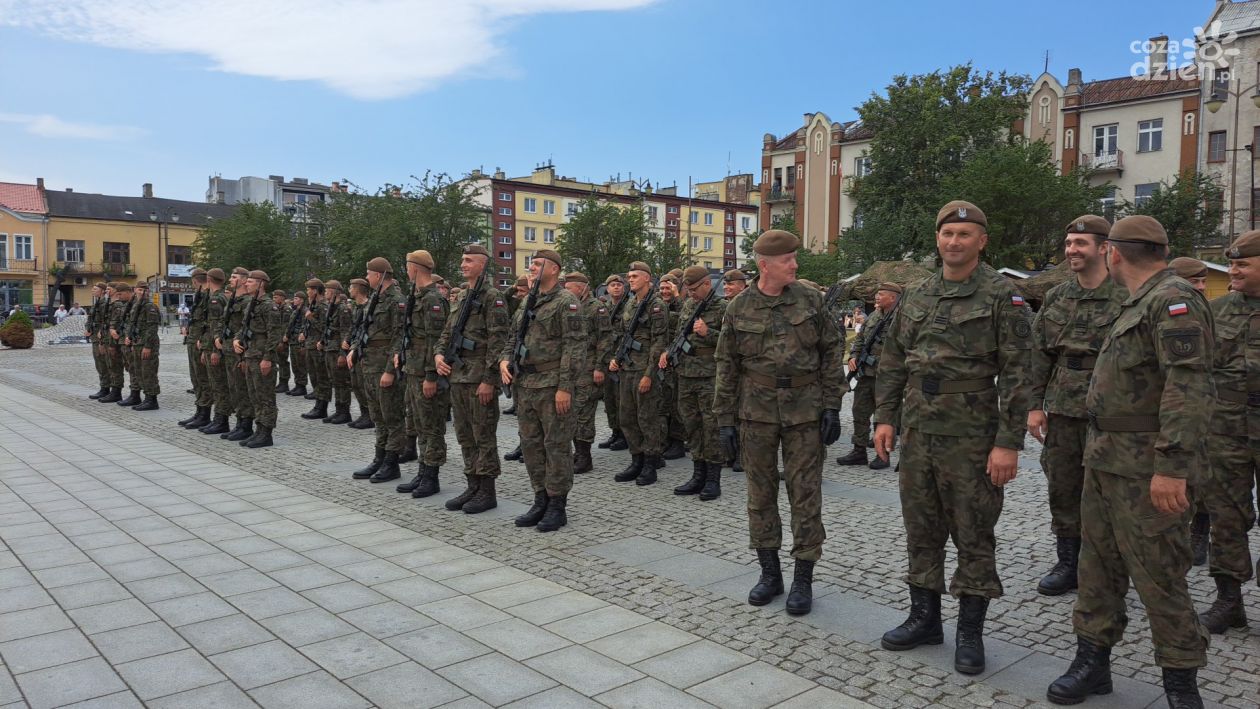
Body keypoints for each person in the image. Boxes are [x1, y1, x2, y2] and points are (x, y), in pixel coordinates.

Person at [1044, 215, 1212, 708]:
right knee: (1098, 567)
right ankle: (1092, 662)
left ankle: (1181, 684)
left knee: (1159, 575)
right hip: (1104, 459)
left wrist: (1171, 467)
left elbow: (1189, 387)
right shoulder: (1138, 299)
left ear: (1113, 252)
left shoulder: (1174, 300)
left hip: (1146, 467)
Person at [874, 201, 1032, 675]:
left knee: (973, 532)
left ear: (982, 241)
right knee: (921, 529)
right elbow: (893, 359)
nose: (954, 242)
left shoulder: (1003, 295)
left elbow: (1019, 374)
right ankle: (924, 618)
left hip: (972, 437)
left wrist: (1008, 442)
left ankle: (969, 632)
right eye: (947, 233)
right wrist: (885, 418)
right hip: (919, 432)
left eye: (964, 234)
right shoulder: (918, 294)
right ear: (937, 238)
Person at [714, 229, 845, 616]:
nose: (795, 264)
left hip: (805, 412)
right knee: (760, 495)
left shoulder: (811, 299)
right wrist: (724, 420)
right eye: (788, 259)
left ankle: (803, 579)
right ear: (765, 265)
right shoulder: (738, 307)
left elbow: (831, 350)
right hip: (756, 413)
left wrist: (832, 405)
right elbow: (727, 365)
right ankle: (770, 574)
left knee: (805, 495)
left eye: (794, 257)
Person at [1026, 216, 1125, 597]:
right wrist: (1035, 406)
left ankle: (1108, 563)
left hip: (1112, 411)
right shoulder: (1056, 297)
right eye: (1068, 243)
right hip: (1064, 409)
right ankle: (1068, 562)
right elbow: (1038, 355)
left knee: (1110, 489)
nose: (1072, 250)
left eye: (1080, 243)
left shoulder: (1127, 295)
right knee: (1063, 486)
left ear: (1105, 248)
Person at [1195, 230, 1259, 636]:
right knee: (1226, 515)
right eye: (1231, 264)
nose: (1232, 271)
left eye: (1242, 265)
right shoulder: (1215, 312)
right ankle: (1229, 602)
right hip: (1226, 427)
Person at [500, 249, 585, 531]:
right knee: (531, 445)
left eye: (538, 264)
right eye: (532, 263)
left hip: (552, 385)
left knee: (556, 446)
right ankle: (540, 498)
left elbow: (574, 347)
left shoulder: (566, 302)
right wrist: (504, 359)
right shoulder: (529, 300)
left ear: (554, 269)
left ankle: (557, 504)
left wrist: (565, 387)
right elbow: (514, 336)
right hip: (525, 384)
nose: (532, 267)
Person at [436, 244, 509, 514]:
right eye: (462, 260)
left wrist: (490, 380)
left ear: (482, 264)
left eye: (468, 260)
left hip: (479, 378)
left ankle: (487, 490)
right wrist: (438, 355)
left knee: (483, 435)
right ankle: (472, 484)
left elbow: (498, 341)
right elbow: (447, 332)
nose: (463, 264)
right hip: (457, 376)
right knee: (465, 435)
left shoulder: (493, 297)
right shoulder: (462, 296)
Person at [665, 265, 727, 500]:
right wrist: (669, 352)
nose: (690, 293)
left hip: (709, 375)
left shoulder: (723, 307)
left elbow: (733, 342)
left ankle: (713, 479)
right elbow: (679, 334)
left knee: (711, 427)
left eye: (693, 289)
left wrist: (707, 333)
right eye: (688, 289)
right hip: (686, 373)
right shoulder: (689, 305)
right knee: (691, 425)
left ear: (707, 284)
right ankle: (698, 474)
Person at [395, 250, 450, 498]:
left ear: (416, 268)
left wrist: (431, 376)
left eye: (408, 266)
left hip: (426, 373)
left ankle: (431, 476)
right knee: (419, 423)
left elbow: (435, 340)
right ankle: (422, 471)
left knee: (431, 425)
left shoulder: (432, 299)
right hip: (414, 369)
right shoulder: (418, 296)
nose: (406, 270)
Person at [608, 261, 669, 486]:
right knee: (627, 417)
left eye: (634, 276)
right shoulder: (630, 303)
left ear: (646, 278)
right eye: (629, 276)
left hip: (644, 370)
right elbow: (622, 335)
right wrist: (616, 358)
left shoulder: (656, 305)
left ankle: (650, 464)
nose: (630, 279)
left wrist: (649, 374)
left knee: (647, 419)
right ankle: (637, 460)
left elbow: (659, 342)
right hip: (627, 368)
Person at [1169, 256, 1213, 565]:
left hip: (1221, 410)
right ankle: (1191, 531)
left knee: (1210, 479)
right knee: (1191, 474)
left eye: (1203, 281)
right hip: (1192, 408)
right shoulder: (1174, 312)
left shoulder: (1211, 310)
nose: (1199, 287)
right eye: (1193, 281)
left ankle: (1201, 531)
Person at [349, 259, 406, 483]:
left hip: (384, 365)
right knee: (378, 416)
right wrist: (354, 349)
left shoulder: (396, 300)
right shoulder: (375, 298)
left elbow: (400, 337)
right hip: (369, 364)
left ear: (379, 275)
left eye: (369, 273)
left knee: (391, 416)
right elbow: (363, 328)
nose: (366, 277)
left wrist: (390, 370)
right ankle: (379, 458)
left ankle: (392, 462)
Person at [837, 283, 902, 469]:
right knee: (859, 411)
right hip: (867, 374)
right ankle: (859, 451)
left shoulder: (901, 318)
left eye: (881, 294)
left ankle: (883, 454)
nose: (877, 297)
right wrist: (854, 356)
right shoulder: (874, 316)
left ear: (893, 297)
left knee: (884, 416)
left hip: (888, 377)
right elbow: (860, 339)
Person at [564, 271, 606, 475]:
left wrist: (599, 367)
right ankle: (578, 452)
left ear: (581, 288)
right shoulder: (569, 306)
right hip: (572, 368)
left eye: (569, 288)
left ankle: (585, 457)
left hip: (589, 368)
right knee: (573, 412)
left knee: (584, 413)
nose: (565, 291)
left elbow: (605, 339)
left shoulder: (597, 308)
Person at [233, 270, 280, 448]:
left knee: (265, 397)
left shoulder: (269, 306)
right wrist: (237, 339)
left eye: (251, 281)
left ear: (261, 284)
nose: (247, 284)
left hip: (262, 357)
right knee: (254, 395)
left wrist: (267, 358)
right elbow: (243, 328)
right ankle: (258, 430)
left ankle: (266, 433)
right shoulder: (251, 304)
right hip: (250, 355)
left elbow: (274, 335)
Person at [216, 268, 255, 441]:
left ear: (244, 280)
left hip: (240, 351)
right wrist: (218, 337)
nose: (230, 279)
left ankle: (246, 425)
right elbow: (223, 322)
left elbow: (247, 327)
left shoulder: (248, 301)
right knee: (234, 388)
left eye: (234, 277)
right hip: (228, 350)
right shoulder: (232, 299)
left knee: (242, 389)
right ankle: (239, 422)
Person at [198, 269, 233, 435]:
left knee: (219, 385)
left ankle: (221, 420)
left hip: (216, 348)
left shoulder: (216, 299)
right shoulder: (221, 297)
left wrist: (214, 350)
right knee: (217, 385)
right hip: (213, 346)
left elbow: (217, 327)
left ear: (208, 279)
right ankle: (218, 418)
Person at [178, 268, 213, 429]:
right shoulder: (200, 296)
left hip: (201, 342)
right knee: (196, 379)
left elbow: (209, 323)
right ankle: (199, 411)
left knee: (203, 379)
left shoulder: (208, 296)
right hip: (194, 341)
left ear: (194, 281)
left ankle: (205, 414)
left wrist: (203, 341)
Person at [597, 274, 629, 451]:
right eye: (612, 285)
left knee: (621, 400)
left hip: (622, 359)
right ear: (607, 289)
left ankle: (625, 434)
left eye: (619, 285)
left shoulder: (629, 306)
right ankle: (615, 431)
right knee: (609, 399)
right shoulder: (604, 307)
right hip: (607, 358)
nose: (616, 287)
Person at [320, 281, 354, 425]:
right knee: (335, 381)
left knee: (342, 382)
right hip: (330, 348)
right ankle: (339, 410)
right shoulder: (332, 307)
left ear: (334, 291)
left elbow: (346, 332)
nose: (325, 292)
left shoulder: (342, 309)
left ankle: (344, 412)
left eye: (327, 290)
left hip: (337, 350)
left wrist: (342, 353)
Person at [344, 279, 375, 429]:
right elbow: (353, 327)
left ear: (358, 289)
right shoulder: (357, 308)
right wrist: (347, 340)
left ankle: (370, 415)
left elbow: (365, 330)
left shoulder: (369, 307)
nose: (349, 290)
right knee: (356, 384)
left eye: (351, 287)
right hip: (354, 348)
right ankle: (364, 413)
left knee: (364, 384)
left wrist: (355, 348)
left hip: (364, 350)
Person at [126, 282, 161, 411]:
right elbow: (132, 324)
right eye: (139, 290)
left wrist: (148, 346)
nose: (142, 292)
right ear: (135, 290)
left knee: (148, 372)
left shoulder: (149, 306)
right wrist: (130, 339)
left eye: (144, 290)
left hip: (147, 344)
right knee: (139, 371)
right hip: (137, 343)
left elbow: (152, 328)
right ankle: (146, 398)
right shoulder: (136, 306)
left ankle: (152, 400)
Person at [302, 279, 333, 420]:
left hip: (319, 347)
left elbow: (325, 328)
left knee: (322, 378)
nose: (307, 292)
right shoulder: (313, 305)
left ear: (315, 290)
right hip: (310, 345)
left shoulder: (323, 306)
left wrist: (311, 318)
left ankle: (322, 407)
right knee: (314, 376)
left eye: (309, 289)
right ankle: (317, 404)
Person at [86, 284, 111, 399]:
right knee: (99, 363)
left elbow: (106, 321)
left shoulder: (104, 304)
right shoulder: (97, 303)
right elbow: (90, 318)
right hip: (94, 336)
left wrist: (101, 332)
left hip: (101, 338)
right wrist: (88, 329)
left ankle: (106, 388)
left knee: (103, 363)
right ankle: (104, 387)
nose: (93, 290)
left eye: (95, 289)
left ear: (102, 291)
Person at [284, 292, 309, 397]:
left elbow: (305, 325)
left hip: (299, 341)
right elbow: (290, 325)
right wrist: (286, 335)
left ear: (302, 300)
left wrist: (302, 339)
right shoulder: (295, 311)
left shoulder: (305, 311)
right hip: (293, 340)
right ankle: (297, 384)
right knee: (294, 364)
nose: (294, 300)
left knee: (300, 365)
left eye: (296, 298)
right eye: (294, 298)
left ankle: (302, 386)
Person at [271, 289, 292, 393]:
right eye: (273, 297)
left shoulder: (286, 309)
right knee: (278, 360)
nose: (274, 299)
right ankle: (281, 382)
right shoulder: (277, 308)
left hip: (282, 340)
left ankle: (284, 383)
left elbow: (285, 326)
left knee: (283, 361)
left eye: (276, 297)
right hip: (276, 339)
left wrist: (281, 342)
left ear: (282, 298)